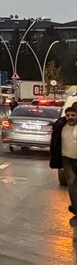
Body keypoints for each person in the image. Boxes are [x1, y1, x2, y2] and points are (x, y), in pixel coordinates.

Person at [49, 98, 77, 232]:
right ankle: (75, 208)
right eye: (68, 115)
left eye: (73, 115)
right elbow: (54, 141)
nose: (70, 117)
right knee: (71, 181)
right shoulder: (61, 126)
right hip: (67, 159)